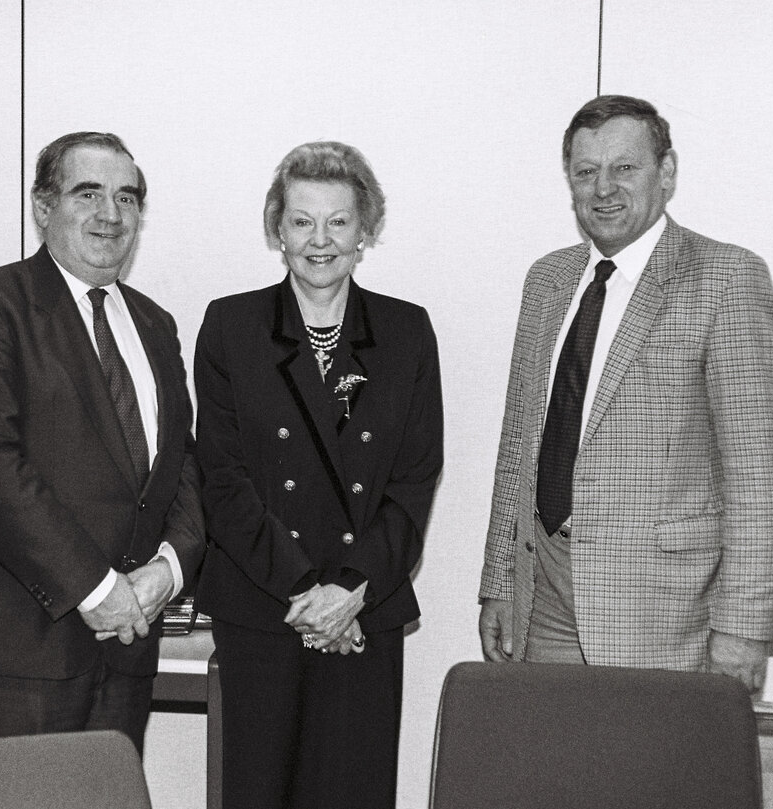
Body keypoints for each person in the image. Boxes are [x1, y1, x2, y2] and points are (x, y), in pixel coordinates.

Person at [478, 95, 773, 694]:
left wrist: (745, 629)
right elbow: (519, 441)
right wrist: (499, 580)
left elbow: (758, 475)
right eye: (585, 171)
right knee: (556, 778)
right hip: (542, 596)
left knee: (652, 781)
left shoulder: (725, 278)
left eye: (625, 168)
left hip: (666, 615)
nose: (604, 189)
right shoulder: (547, 279)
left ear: (666, 172)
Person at [0, 131, 204, 754]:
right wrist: (98, 590)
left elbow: (181, 462)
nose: (111, 214)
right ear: (42, 206)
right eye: (89, 194)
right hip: (20, 661)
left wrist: (171, 565)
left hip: (129, 654)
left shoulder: (155, 324)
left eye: (128, 199)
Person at [194, 141, 444, 809]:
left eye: (339, 221)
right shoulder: (232, 325)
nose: (320, 240)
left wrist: (351, 589)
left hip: (366, 608)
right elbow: (223, 479)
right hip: (265, 608)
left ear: (366, 230)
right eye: (302, 220)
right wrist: (311, 593)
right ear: (278, 230)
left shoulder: (404, 331)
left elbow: (414, 481)